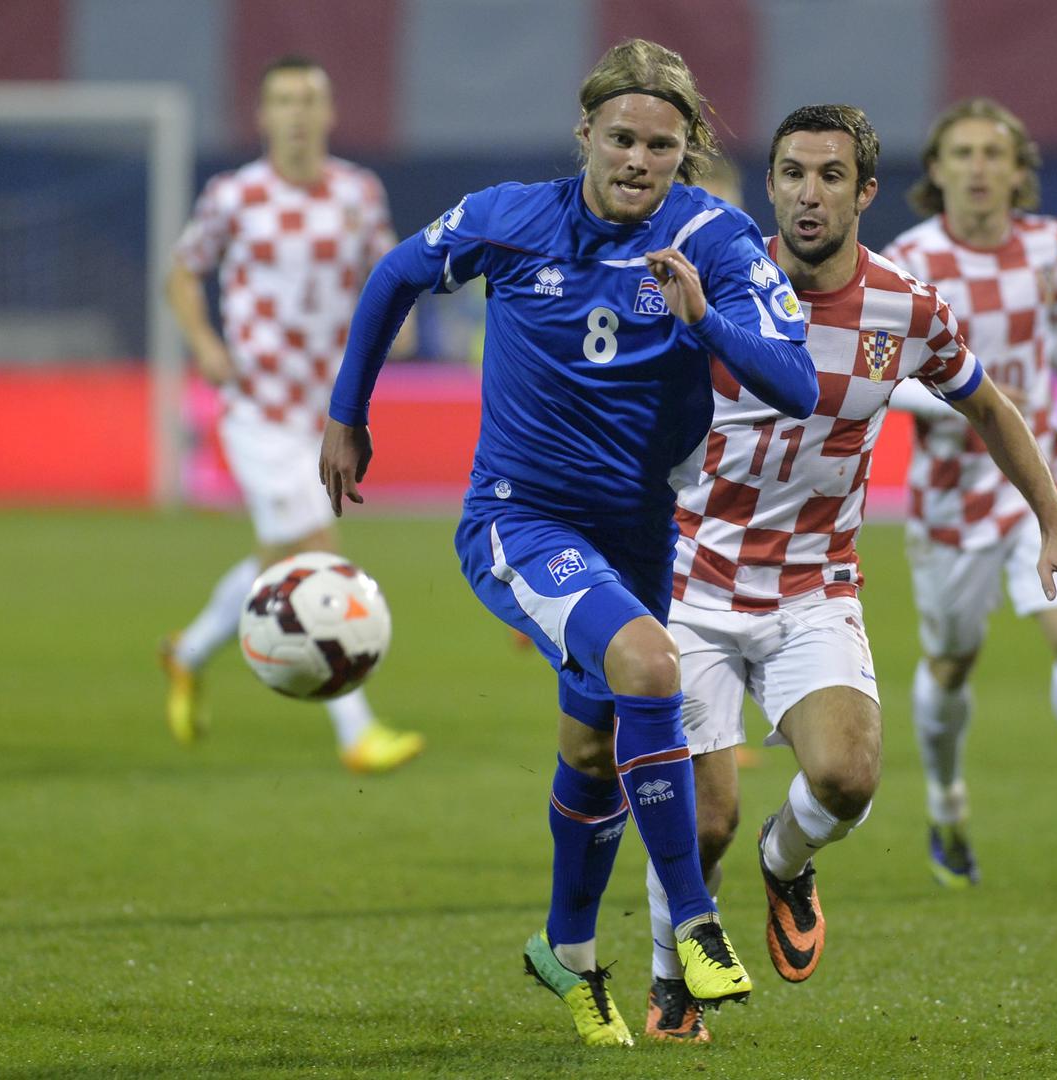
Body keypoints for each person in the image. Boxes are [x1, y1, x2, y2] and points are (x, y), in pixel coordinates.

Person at [320, 39, 819, 1048]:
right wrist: (346, 414)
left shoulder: (714, 239)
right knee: (650, 666)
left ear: (685, 151)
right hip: (519, 519)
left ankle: (568, 950)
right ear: (585, 132)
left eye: (661, 146)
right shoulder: (510, 218)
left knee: (592, 748)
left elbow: (797, 385)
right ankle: (695, 921)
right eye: (621, 138)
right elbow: (394, 275)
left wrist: (704, 320)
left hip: (639, 534)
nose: (638, 160)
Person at [638, 104, 1057, 1043]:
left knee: (847, 778)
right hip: (690, 586)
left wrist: (1056, 521)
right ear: (769, 185)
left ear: (863, 193)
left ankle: (786, 860)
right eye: (790, 173)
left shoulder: (906, 308)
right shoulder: (711, 287)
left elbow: (990, 407)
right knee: (702, 826)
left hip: (813, 587)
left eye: (829, 175)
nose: (807, 194)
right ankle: (668, 984)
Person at [881, 98, 1057, 886]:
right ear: (935, 169)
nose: (978, 167)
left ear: (1019, 170)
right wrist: (973, 403)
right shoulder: (904, 261)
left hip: (1038, 486)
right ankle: (945, 804)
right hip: (950, 492)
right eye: (961, 153)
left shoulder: (1047, 243)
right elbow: (880, 378)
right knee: (950, 664)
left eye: (994, 153)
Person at [159, 55, 425, 774]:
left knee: (277, 558)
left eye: (309, 98)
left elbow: (389, 273)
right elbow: (182, 272)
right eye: (283, 99)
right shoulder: (234, 194)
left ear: (330, 112)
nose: (297, 112)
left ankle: (186, 653)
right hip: (258, 408)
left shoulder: (358, 192)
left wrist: (398, 324)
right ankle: (355, 731)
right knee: (316, 553)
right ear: (262, 115)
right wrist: (205, 343)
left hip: (327, 412)